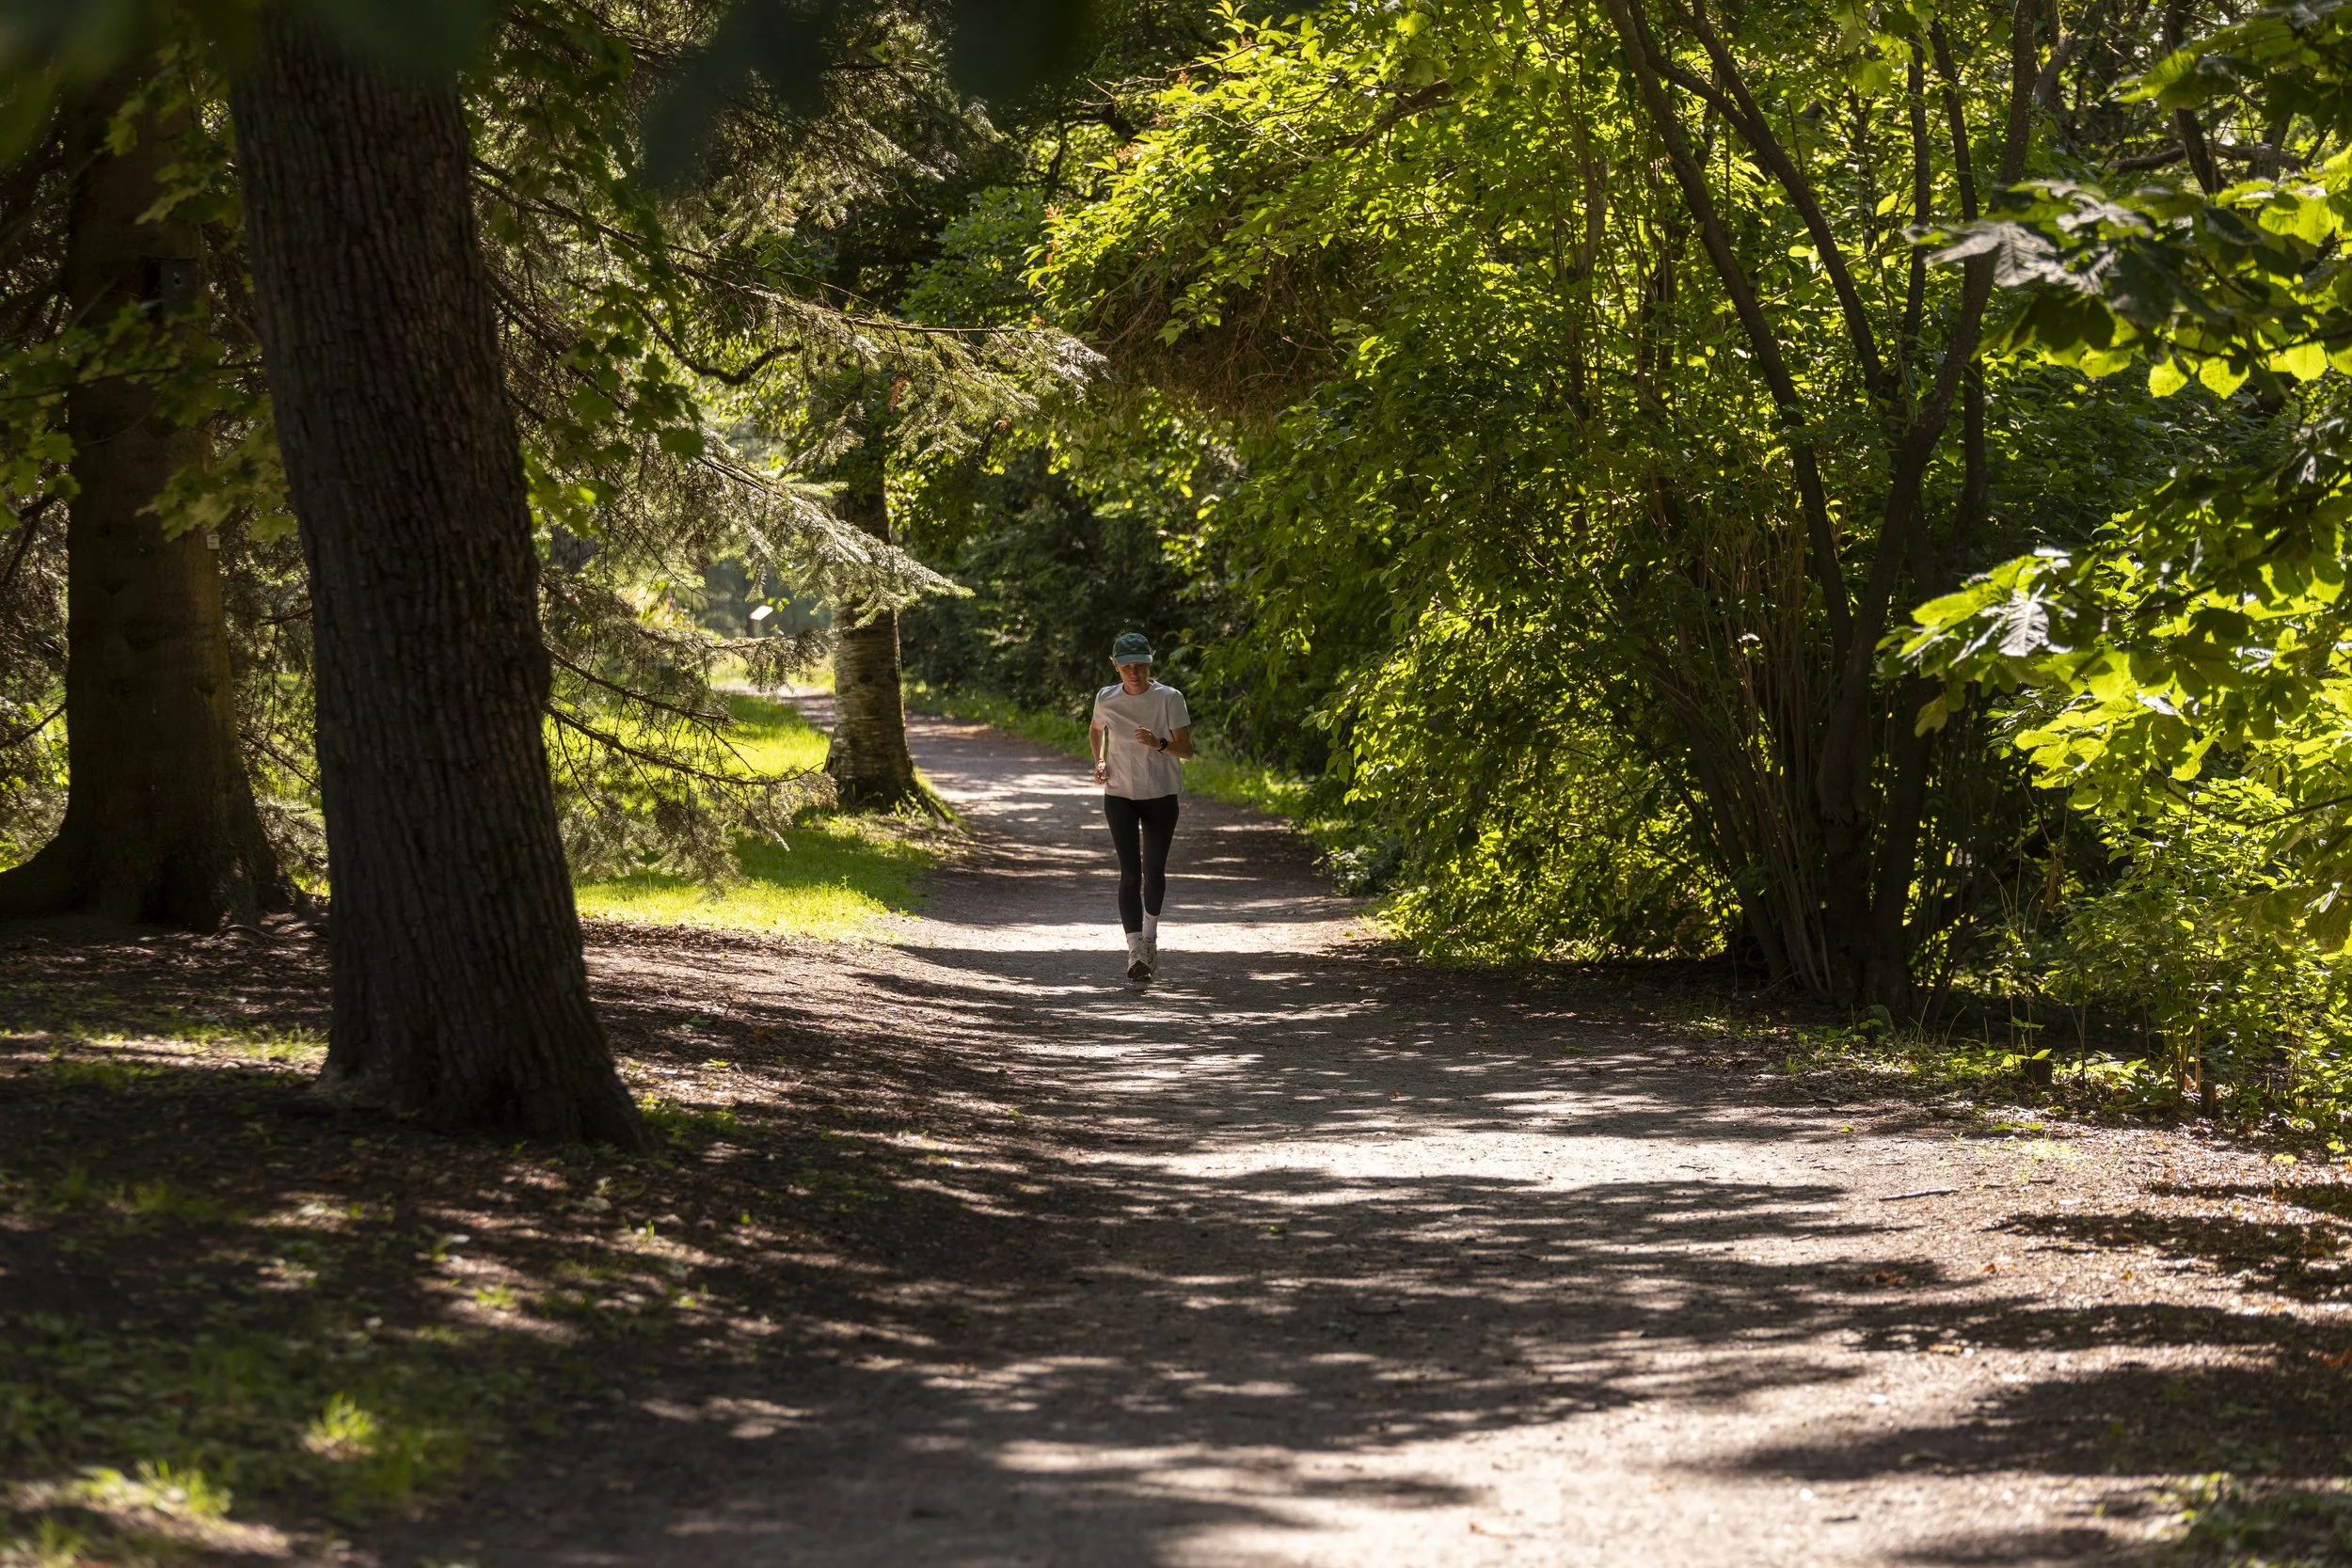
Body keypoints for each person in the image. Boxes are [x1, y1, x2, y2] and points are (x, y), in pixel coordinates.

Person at [1090, 632, 1193, 981]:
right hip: (1119, 794)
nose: (1134, 672)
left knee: (1154, 871)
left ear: (1151, 662)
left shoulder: (1169, 698)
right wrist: (1099, 761)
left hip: (1161, 795)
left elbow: (1187, 750)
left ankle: (1150, 939)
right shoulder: (1106, 697)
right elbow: (1095, 728)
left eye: (1141, 665)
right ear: (1115, 666)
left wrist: (1159, 743)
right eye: (1127, 666)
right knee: (1129, 873)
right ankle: (1135, 950)